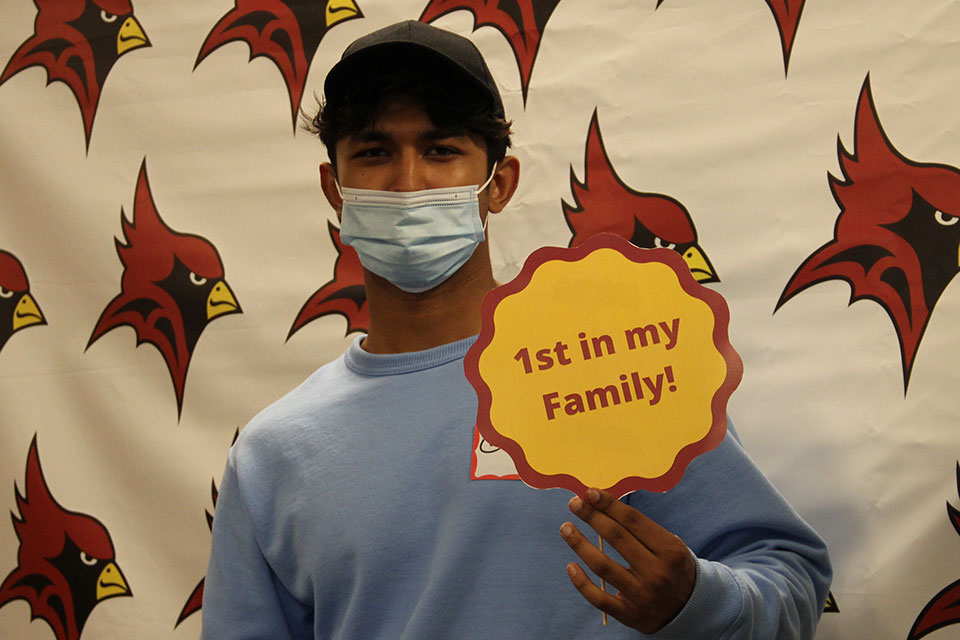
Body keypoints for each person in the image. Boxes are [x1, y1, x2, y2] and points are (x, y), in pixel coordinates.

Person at [201, 20, 831, 639]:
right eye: (373, 152)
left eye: (442, 149)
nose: (408, 182)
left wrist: (698, 603)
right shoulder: (271, 454)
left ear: (498, 183)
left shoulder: (609, 365)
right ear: (334, 190)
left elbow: (790, 575)